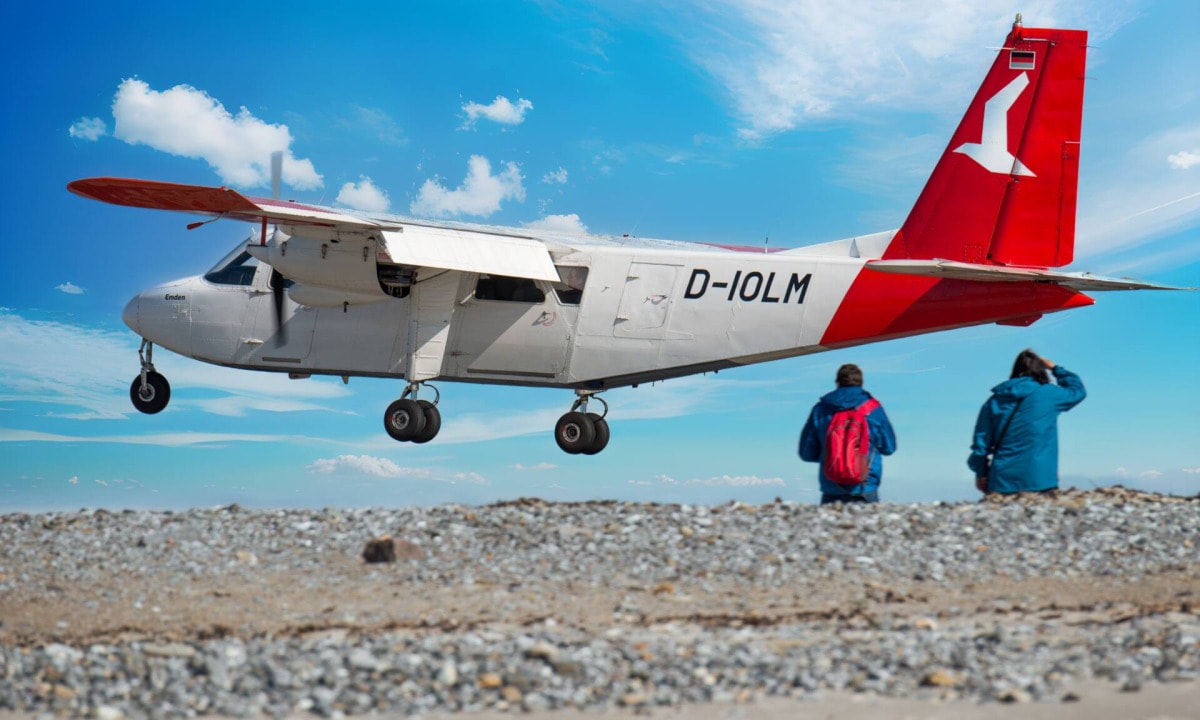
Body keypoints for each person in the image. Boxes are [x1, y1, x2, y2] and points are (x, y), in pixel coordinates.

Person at [968, 349, 1086, 495]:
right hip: (1041, 480)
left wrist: (981, 474)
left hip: (1002, 481)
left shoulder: (994, 401)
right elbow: (1078, 391)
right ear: (1041, 370)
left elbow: (981, 444)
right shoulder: (1050, 394)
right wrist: (1055, 368)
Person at [799, 363, 897, 504]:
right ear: (861, 384)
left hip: (831, 486)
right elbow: (889, 448)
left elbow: (806, 453)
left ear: (838, 383)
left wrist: (832, 456)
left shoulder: (820, 409)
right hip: (865, 487)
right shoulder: (874, 409)